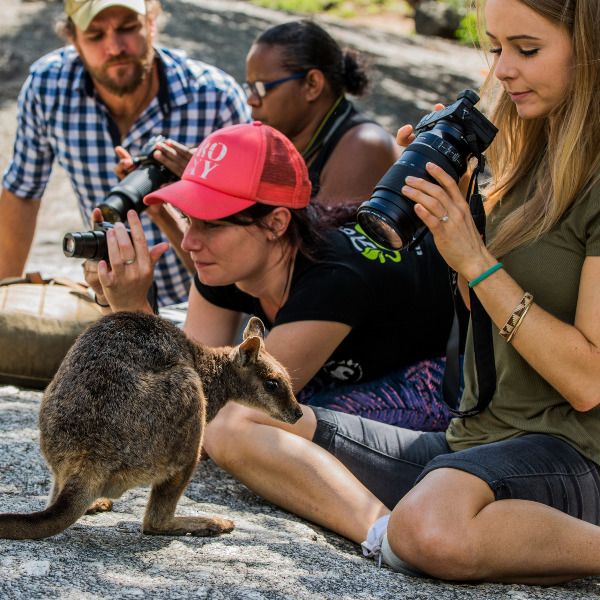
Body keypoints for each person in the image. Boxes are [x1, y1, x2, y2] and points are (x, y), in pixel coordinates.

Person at [194, 0, 598, 584]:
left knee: (434, 525)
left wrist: (477, 260)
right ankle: (387, 535)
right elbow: (478, 318)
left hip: (573, 454)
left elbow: (589, 382)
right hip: (469, 444)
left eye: (526, 49)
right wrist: (452, 222)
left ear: (586, 48)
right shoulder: (516, 164)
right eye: (496, 47)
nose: (503, 70)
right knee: (238, 423)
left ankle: (425, 533)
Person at [85, 121, 455, 429]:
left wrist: (133, 310)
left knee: (250, 425)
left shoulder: (334, 280)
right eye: (191, 220)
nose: (191, 241)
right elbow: (191, 385)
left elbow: (200, 420)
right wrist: (114, 300)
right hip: (343, 372)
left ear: (276, 222)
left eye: (211, 225)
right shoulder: (228, 265)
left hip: (437, 381)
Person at [0, 0, 250, 306]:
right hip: (112, 301)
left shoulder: (215, 97)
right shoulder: (48, 87)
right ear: (73, 39)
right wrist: (4, 296)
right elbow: (22, 193)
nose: (115, 47)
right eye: (95, 35)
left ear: (152, 22)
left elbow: (255, 220)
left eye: (128, 28)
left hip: (210, 301)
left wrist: (193, 184)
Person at [245, 20, 400, 206]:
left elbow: (323, 235)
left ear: (312, 85)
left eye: (262, 88)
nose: (251, 100)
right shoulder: (289, 140)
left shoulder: (363, 145)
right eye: (250, 87)